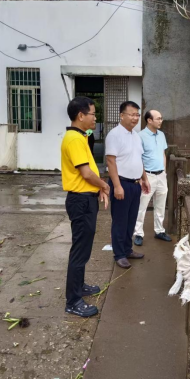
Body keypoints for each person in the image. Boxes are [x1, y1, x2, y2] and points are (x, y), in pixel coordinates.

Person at [61, 96, 110, 317]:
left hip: (86, 199)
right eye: (92, 114)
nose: (95, 118)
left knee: (84, 248)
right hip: (80, 201)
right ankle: (73, 301)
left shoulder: (81, 136)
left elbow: (89, 170)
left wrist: (98, 188)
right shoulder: (73, 139)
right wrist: (104, 185)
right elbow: (86, 173)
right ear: (80, 115)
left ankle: (79, 287)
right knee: (79, 251)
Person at [105, 101, 151, 269]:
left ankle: (127, 249)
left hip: (135, 184)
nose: (135, 118)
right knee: (120, 221)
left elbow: (138, 159)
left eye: (137, 115)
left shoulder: (136, 136)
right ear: (122, 115)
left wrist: (144, 178)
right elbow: (111, 161)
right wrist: (117, 186)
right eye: (132, 114)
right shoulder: (114, 135)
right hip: (121, 183)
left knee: (131, 219)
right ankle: (119, 254)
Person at [133, 110, 172, 246]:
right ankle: (138, 233)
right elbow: (137, 158)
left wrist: (164, 172)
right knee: (142, 206)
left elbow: (163, 154)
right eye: (158, 118)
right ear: (149, 120)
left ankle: (159, 230)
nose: (161, 121)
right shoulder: (140, 136)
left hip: (161, 175)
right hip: (147, 175)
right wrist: (142, 178)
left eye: (161, 118)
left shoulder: (161, 135)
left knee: (161, 205)